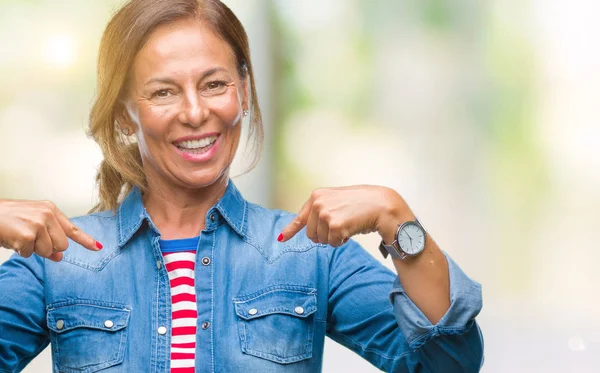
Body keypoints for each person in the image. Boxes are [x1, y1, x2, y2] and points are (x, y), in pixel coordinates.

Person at [0, 0, 484, 372]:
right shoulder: (58, 262)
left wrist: (399, 221)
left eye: (214, 84)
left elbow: (449, 363)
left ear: (244, 93)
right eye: (164, 92)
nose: (195, 112)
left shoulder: (310, 254)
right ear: (126, 113)